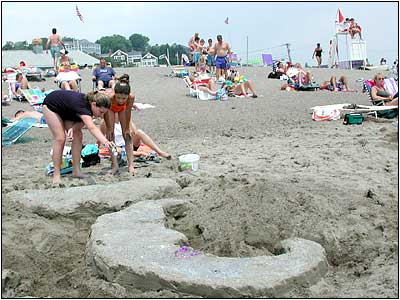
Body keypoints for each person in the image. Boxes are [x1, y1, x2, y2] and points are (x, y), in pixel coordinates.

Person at [42, 90, 115, 184]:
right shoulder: (84, 108)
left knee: (78, 135)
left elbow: (80, 122)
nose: (101, 116)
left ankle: (76, 171)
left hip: (68, 110)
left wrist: (73, 128)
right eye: (100, 112)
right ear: (93, 104)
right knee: (60, 138)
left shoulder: (89, 108)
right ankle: (56, 174)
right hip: (52, 106)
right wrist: (105, 142)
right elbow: (92, 127)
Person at [101, 74, 135, 174]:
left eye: (123, 98)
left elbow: (128, 112)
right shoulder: (109, 97)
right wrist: (108, 128)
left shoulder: (131, 98)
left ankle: (131, 165)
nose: (120, 100)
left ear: (128, 96)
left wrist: (127, 128)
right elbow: (105, 113)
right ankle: (115, 165)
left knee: (127, 136)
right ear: (115, 93)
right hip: (110, 109)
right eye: (118, 97)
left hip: (122, 110)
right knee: (111, 135)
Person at [99, 114, 171, 160]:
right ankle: (138, 153)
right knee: (115, 149)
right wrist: (97, 147)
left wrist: (128, 123)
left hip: (128, 144)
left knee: (139, 132)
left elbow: (134, 132)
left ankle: (160, 152)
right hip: (117, 147)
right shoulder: (105, 122)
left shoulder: (125, 117)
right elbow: (100, 137)